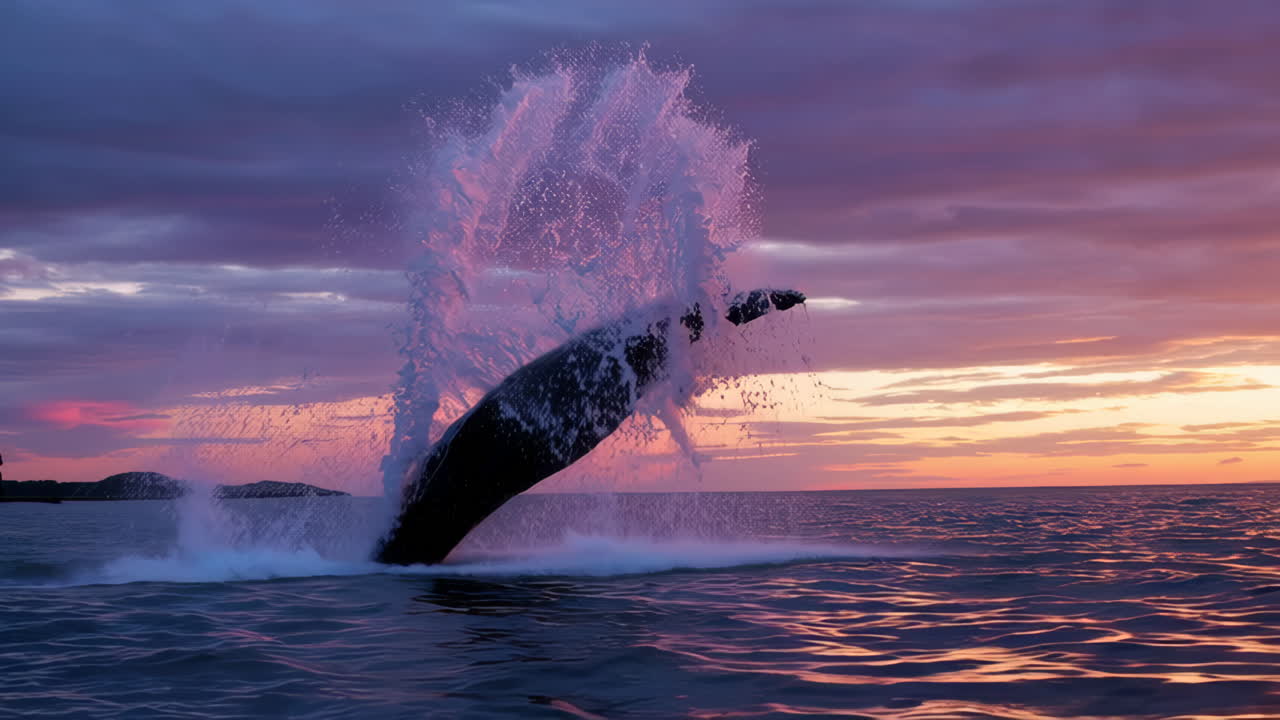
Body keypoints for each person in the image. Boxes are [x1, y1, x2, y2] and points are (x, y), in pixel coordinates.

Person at [375, 289, 805, 565]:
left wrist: (752, 304)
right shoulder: (628, 354)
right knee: (436, 500)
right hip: (538, 425)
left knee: (432, 502)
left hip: (530, 425)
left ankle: (400, 554)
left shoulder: (625, 353)